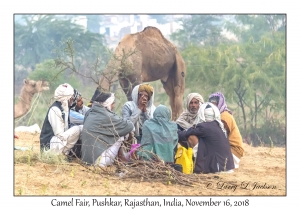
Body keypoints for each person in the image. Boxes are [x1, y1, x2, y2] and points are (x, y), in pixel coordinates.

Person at [178, 102, 235, 174]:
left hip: (216, 168)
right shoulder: (219, 126)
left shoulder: (203, 127)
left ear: (201, 114)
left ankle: (198, 165)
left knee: (191, 137)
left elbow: (184, 134)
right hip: (227, 167)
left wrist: (175, 131)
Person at [80, 92, 134, 167]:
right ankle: (121, 159)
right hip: (99, 162)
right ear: (107, 104)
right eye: (112, 104)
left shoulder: (89, 112)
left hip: (86, 160)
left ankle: (120, 158)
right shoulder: (107, 116)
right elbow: (130, 126)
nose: (114, 106)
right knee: (122, 134)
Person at [40, 83, 83, 156]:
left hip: (57, 142)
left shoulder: (64, 108)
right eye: (71, 96)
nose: (73, 98)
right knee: (78, 129)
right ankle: (62, 153)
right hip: (49, 146)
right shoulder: (55, 109)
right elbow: (60, 135)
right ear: (67, 98)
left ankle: (66, 153)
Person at [208, 92, 244, 169]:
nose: (212, 107)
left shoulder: (224, 117)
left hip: (234, 150)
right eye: (211, 105)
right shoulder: (219, 115)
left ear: (219, 104)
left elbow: (219, 138)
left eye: (215, 104)